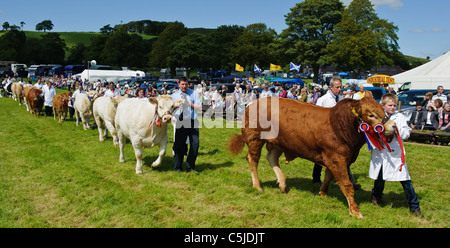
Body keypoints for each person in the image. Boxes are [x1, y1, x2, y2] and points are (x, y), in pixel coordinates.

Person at [370, 93, 422, 217]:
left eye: (394, 105)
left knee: (405, 180)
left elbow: (406, 133)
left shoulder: (400, 117)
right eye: (390, 105)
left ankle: (414, 207)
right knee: (380, 177)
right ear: (383, 106)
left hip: (395, 154)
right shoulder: (378, 117)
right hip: (382, 152)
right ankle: (376, 196)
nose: (393, 107)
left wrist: (397, 129)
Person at [314, 77, 360, 189]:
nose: (339, 89)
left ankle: (346, 179)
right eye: (337, 87)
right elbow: (316, 116)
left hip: (338, 133)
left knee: (342, 155)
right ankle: (316, 178)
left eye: (340, 87)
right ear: (330, 87)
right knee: (321, 156)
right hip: (325, 132)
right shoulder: (323, 100)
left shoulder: (341, 99)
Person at [171, 77, 202, 173]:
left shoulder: (193, 94)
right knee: (179, 145)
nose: (184, 86)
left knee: (195, 145)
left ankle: (190, 167)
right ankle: (177, 167)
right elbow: (170, 109)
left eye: (186, 84)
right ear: (179, 84)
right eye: (182, 84)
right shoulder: (174, 96)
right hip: (181, 122)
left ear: (188, 85)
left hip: (192, 122)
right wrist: (176, 107)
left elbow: (199, 108)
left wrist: (188, 103)